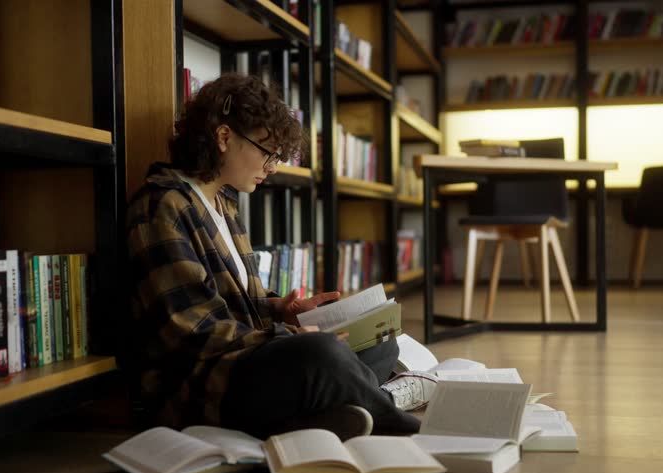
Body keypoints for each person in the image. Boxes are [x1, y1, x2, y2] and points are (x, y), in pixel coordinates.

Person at [124, 73, 436, 441]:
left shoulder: (224, 203)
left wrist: (278, 309)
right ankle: (393, 420)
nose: (272, 167)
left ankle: (328, 412)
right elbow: (192, 330)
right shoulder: (163, 204)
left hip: (245, 361)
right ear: (224, 137)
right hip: (202, 384)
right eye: (267, 152)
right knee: (321, 354)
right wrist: (288, 337)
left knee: (381, 339)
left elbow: (231, 300)